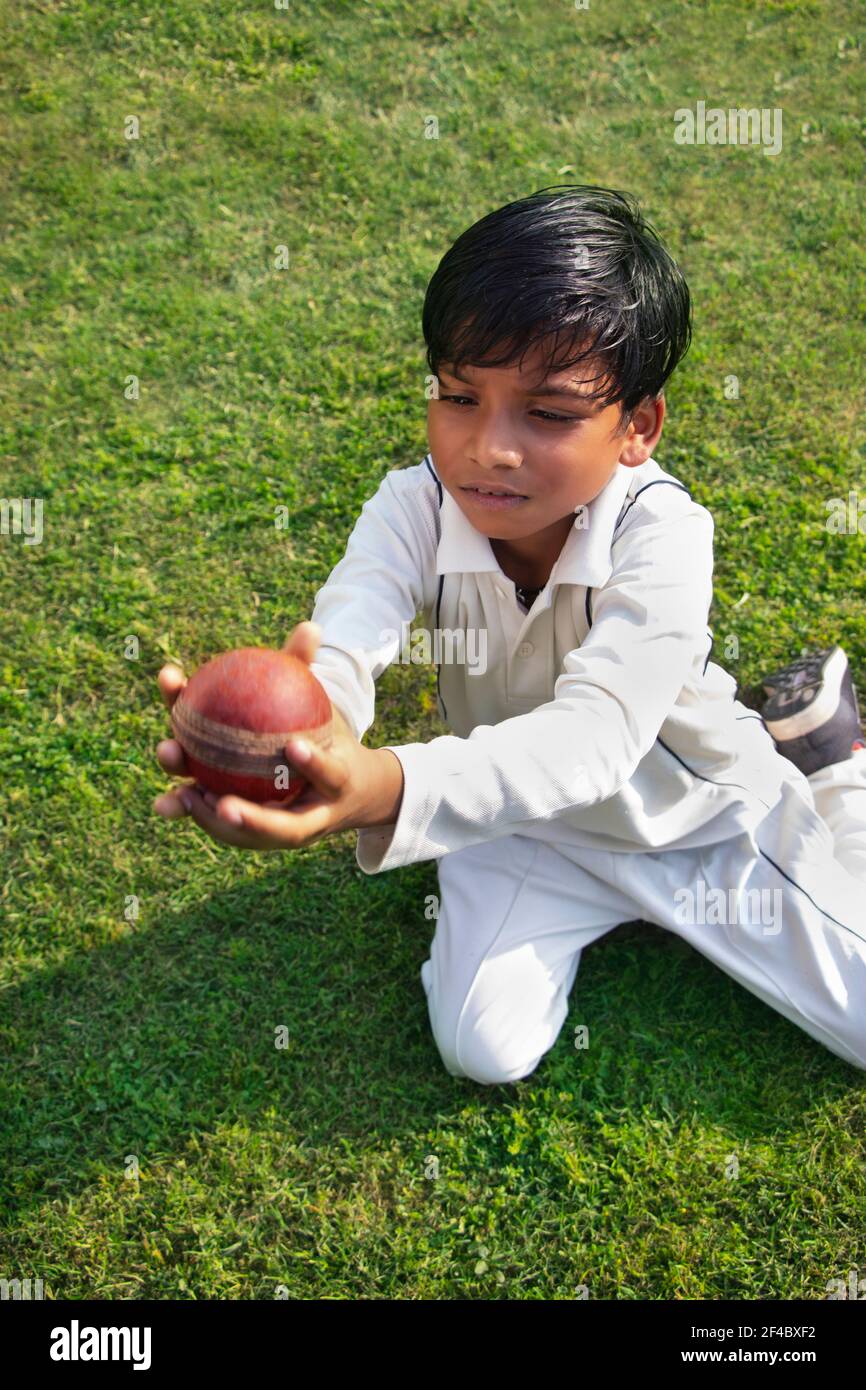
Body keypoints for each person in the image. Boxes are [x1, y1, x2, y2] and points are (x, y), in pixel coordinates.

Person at [154, 185, 866, 1083]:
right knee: (482, 1051)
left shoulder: (664, 532)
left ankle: (832, 762)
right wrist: (314, 732)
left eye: (550, 413)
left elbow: (598, 739)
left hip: (694, 824)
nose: (490, 447)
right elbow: (349, 630)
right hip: (522, 828)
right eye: (460, 395)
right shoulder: (411, 505)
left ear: (637, 427)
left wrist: (382, 787)